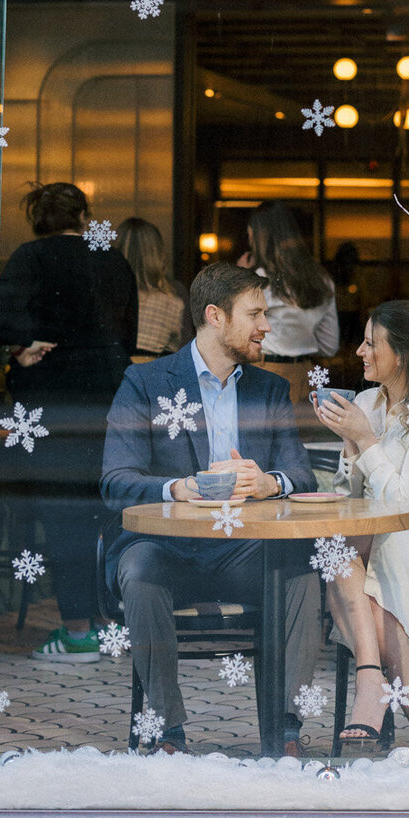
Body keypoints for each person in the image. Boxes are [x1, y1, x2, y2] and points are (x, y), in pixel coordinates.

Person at [100, 262, 321, 754]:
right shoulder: (145, 384)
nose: (267, 326)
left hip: (243, 553)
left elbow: (302, 476)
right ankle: (167, 730)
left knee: (306, 568)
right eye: (256, 314)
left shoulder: (269, 389)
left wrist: (268, 482)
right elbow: (116, 482)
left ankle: (285, 730)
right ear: (216, 316)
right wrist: (179, 488)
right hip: (167, 549)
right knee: (137, 568)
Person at [314, 299, 409, 757]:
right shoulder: (366, 402)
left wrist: (365, 438)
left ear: (401, 354)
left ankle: (377, 693)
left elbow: (406, 506)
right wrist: (349, 446)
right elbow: (355, 498)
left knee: (383, 554)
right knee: (338, 548)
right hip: (384, 539)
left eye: (370, 342)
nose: (359, 351)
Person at [0, 182, 138, 662]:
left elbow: (4, 320)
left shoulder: (30, 257)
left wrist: (22, 348)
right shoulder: (114, 261)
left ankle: (77, 631)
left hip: (50, 408)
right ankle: (106, 621)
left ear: (39, 217)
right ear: (83, 215)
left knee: (62, 516)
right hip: (111, 402)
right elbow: (127, 334)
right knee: (109, 512)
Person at [238, 202, 339, 411]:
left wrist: (237, 278)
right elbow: (330, 345)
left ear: (261, 237)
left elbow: (236, 335)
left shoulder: (257, 280)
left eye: (250, 236)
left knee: (259, 441)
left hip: (264, 372)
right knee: (302, 443)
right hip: (306, 376)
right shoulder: (322, 281)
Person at [116, 217, 188, 358]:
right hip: (151, 376)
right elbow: (183, 352)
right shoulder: (173, 301)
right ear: (158, 253)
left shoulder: (102, 299)